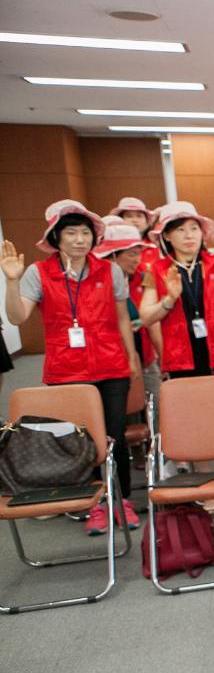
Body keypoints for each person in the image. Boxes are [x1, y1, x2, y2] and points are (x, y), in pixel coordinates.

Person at [2, 201, 143, 534]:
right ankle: (94, 503)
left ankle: (120, 499)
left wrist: (131, 355)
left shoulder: (109, 271)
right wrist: (11, 281)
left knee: (115, 438)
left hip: (111, 365)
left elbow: (123, 317)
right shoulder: (39, 273)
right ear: (56, 237)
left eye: (85, 233)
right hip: (67, 371)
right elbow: (17, 317)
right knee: (81, 440)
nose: (80, 240)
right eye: (71, 233)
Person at [138, 201, 214, 515]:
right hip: (181, 357)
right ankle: (209, 489)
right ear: (167, 237)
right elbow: (147, 317)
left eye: (194, 229)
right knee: (199, 425)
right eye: (180, 230)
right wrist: (168, 300)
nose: (189, 236)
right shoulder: (157, 270)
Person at [95, 218, 163, 401]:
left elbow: (153, 323)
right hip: (110, 363)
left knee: (157, 406)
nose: (138, 260)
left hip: (145, 357)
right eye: (132, 254)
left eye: (139, 253)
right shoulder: (96, 284)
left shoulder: (141, 279)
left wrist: (163, 357)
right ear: (113, 255)